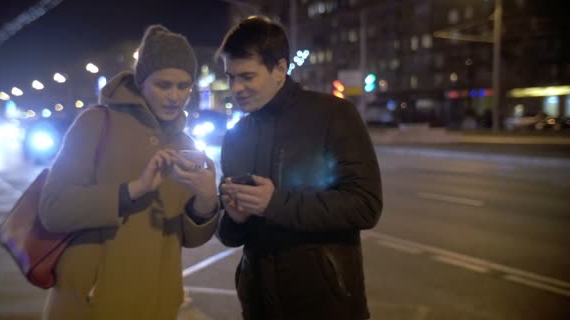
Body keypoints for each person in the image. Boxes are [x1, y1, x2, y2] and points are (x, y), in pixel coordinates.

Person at [38, 25, 219, 320]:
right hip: (91, 304)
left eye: (184, 85)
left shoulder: (184, 144)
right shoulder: (96, 123)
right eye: (163, 85)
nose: (175, 96)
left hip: (158, 306)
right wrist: (132, 189)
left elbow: (188, 237)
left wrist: (207, 201)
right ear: (142, 80)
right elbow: (53, 209)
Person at [216, 16, 383, 320]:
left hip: (326, 306)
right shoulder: (235, 137)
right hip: (259, 307)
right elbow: (230, 236)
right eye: (230, 77)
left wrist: (275, 203)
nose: (236, 87)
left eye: (247, 76)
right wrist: (235, 218)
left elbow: (365, 205)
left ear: (280, 69)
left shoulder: (333, 115)